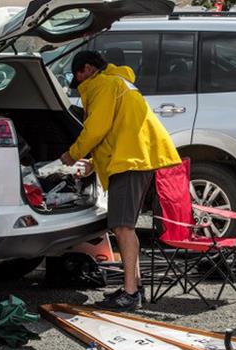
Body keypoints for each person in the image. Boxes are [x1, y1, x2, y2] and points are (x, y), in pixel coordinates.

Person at [60, 50, 181, 311]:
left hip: (130, 162)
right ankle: (133, 286)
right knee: (126, 227)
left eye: (79, 79)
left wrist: (74, 153)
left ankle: (129, 294)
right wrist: (95, 162)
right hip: (136, 157)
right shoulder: (119, 81)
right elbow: (118, 128)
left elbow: (97, 128)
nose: (80, 87)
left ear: (88, 69)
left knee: (123, 227)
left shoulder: (103, 84)